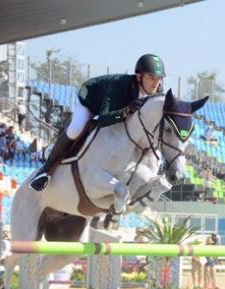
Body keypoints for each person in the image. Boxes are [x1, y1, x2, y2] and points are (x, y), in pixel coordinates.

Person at [29, 53, 167, 192]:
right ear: (139, 77)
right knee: (75, 129)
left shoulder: (157, 93)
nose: (156, 83)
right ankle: (45, 171)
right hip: (91, 99)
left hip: (115, 109)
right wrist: (125, 113)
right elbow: (103, 119)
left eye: (159, 79)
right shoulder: (120, 85)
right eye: (151, 78)